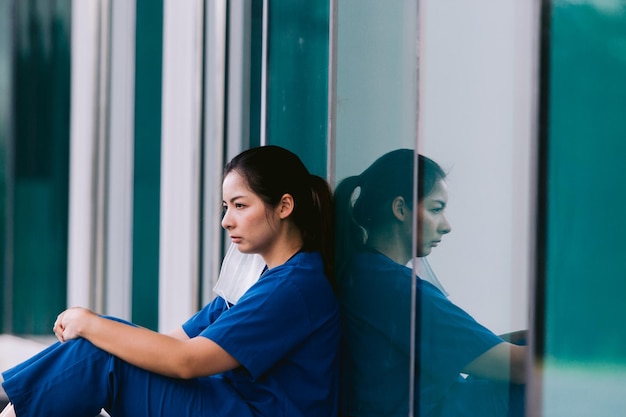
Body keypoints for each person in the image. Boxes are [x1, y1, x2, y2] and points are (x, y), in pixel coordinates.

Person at [0, 145, 340, 417]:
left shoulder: (294, 287)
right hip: (228, 402)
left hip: (245, 409)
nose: (226, 221)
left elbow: (185, 360)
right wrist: (98, 328)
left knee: (98, 355)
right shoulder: (262, 277)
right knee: (100, 348)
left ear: (284, 206)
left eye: (239, 206)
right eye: (225, 207)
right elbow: (173, 342)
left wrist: (89, 324)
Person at [334, 149, 526, 417]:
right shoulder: (394, 288)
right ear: (400, 208)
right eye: (436, 209)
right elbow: (518, 367)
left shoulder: (362, 272)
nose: (446, 226)